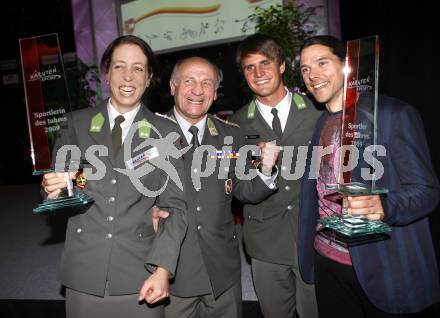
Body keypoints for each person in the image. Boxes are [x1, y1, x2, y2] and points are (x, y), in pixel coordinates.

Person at [41, 35, 187, 318]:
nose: (128, 76)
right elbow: (62, 199)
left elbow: (176, 209)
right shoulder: (77, 124)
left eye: (138, 68)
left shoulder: (166, 133)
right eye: (119, 66)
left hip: (141, 272)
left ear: (149, 78)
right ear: (107, 74)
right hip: (84, 270)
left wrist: (162, 270)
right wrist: (54, 190)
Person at [298, 35, 440, 317]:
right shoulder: (320, 124)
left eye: (321, 62)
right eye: (304, 69)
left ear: (346, 66)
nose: (312, 75)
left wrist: (385, 206)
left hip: (384, 269)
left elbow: (427, 191)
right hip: (327, 264)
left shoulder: (392, 114)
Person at [151, 56, 279, 318]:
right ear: (173, 87)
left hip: (222, 271)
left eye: (207, 83)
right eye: (189, 81)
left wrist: (265, 170)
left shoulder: (233, 135)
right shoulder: (148, 133)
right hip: (171, 271)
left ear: (215, 92)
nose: (198, 90)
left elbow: (245, 190)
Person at [230, 33, 321, 318]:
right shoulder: (236, 124)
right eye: (249, 67)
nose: (258, 73)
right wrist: (263, 170)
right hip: (265, 243)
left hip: (314, 237)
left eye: (265, 63)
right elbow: (241, 191)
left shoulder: (317, 112)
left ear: (281, 66)